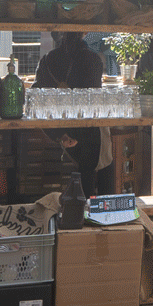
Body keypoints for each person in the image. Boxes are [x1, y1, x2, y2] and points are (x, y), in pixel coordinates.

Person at [36, 30, 107, 195]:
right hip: (87, 136)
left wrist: (61, 135)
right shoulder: (94, 60)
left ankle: (58, 216)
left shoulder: (47, 60)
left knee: (55, 187)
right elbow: (93, 104)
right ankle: (87, 215)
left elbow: (41, 101)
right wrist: (78, 136)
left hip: (56, 133)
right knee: (86, 185)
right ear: (84, 33)